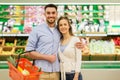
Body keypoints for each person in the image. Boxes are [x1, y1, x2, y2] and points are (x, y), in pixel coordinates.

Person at [25, 4, 84, 80]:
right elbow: (28, 52)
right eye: (48, 13)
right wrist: (47, 57)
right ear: (44, 14)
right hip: (41, 72)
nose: (51, 15)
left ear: (56, 14)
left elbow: (69, 39)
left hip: (57, 73)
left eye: (53, 13)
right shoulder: (37, 30)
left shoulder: (59, 30)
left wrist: (80, 45)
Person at [57, 16, 82, 80]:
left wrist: (76, 76)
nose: (63, 27)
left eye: (65, 24)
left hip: (73, 75)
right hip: (62, 75)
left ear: (69, 26)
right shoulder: (59, 41)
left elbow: (79, 59)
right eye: (61, 25)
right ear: (58, 28)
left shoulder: (75, 40)